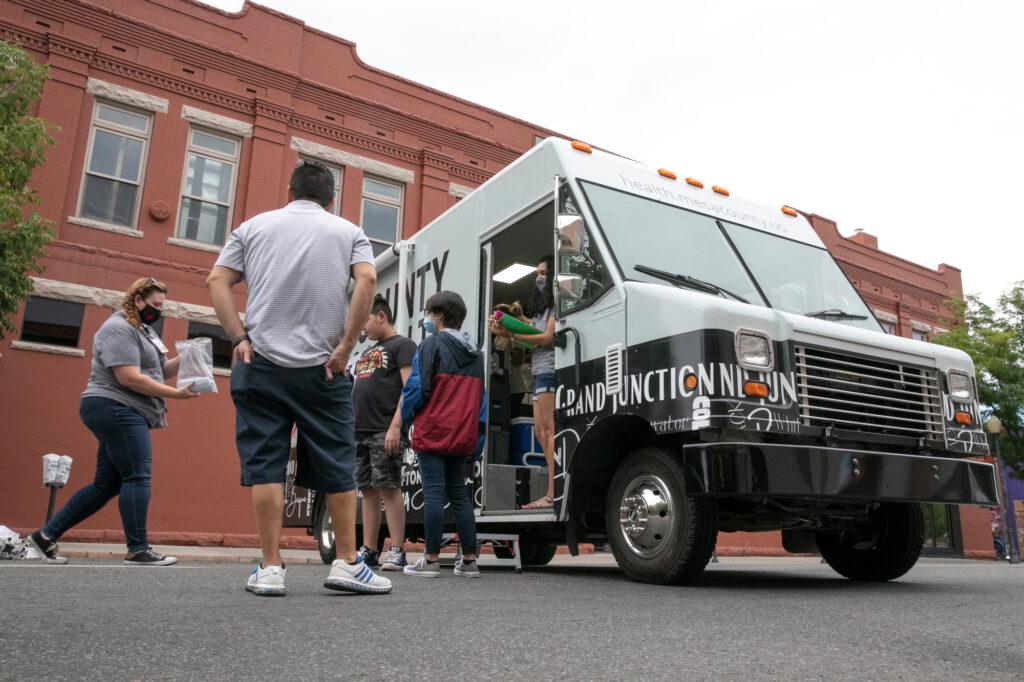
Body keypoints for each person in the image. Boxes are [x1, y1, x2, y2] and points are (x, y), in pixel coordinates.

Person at [206, 160, 391, 597]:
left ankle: (270, 568)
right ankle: (347, 562)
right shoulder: (348, 232)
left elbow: (217, 280)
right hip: (323, 369)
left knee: (266, 466)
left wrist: (238, 336)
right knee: (337, 463)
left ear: (289, 193)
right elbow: (366, 278)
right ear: (331, 200)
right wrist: (346, 346)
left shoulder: (252, 228)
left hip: (261, 365)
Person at [26, 278, 200, 566]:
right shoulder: (118, 328)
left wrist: (188, 355)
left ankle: (44, 537)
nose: (159, 312)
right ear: (138, 300)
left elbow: (158, 372)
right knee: (137, 475)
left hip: (119, 408)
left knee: (106, 484)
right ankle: (137, 549)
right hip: (115, 406)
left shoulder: (142, 331)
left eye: (162, 307)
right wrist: (176, 395)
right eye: (155, 305)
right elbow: (128, 377)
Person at [400, 291, 486, 578]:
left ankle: (432, 558)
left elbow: (417, 388)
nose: (427, 318)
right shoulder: (476, 353)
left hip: (434, 430)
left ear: (437, 315)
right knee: (460, 494)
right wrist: (477, 437)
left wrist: (406, 419)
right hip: (462, 434)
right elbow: (480, 399)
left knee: (434, 492)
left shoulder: (431, 345)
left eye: (428, 313)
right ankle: (470, 560)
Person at [352, 294, 417, 571]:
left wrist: (395, 426)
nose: (361, 326)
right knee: (367, 490)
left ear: (381, 316)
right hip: (360, 431)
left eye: (365, 319)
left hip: (384, 430)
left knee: (389, 488)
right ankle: (369, 549)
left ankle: (398, 550)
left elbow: (409, 389)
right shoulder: (366, 352)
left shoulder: (403, 345)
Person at [490, 256, 556, 509]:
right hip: (539, 373)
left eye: (543, 273)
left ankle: (553, 493)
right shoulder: (541, 310)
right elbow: (533, 335)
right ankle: (551, 492)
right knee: (540, 432)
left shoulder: (556, 306)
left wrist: (512, 333)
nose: (539, 277)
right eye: (537, 272)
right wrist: (506, 327)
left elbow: (548, 338)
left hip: (549, 370)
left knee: (549, 432)